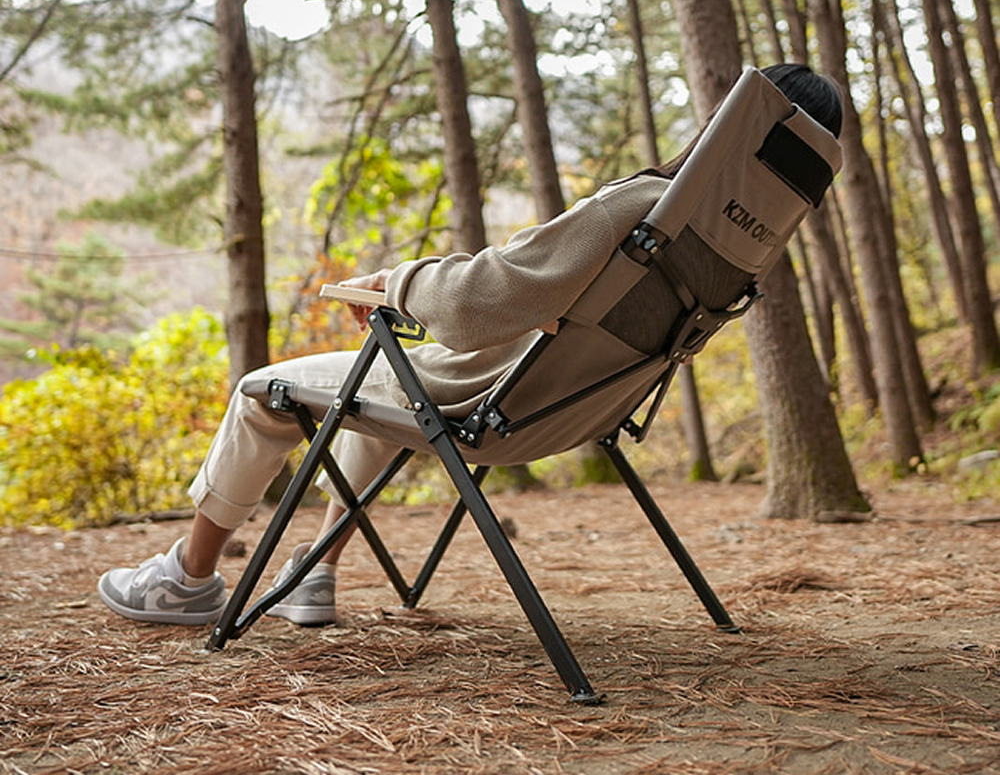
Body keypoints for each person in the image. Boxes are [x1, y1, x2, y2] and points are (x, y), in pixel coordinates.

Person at [97, 64, 843, 627]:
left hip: (482, 404)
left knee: (264, 391)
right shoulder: (738, 255)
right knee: (383, 384)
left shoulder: (644, 209)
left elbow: (486, 297)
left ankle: (187, 581)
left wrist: (399, 284)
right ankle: (316, 570)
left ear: (725, 131)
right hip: (568, 413)